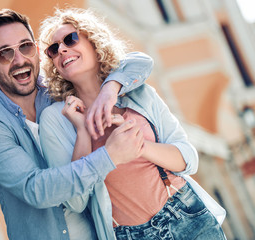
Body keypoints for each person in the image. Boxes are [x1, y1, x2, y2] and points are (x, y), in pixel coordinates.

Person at [38, 8, 227, 240]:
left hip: (187, 215)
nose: (62, 50)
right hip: (131, 234)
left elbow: (188, 159)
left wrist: (138, 144)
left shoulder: (138, 92)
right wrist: (83, 131)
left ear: (94, 44)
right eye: (53, 49)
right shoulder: (56, 118)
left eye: (70, 39)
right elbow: (75, 201)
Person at [0, 8, 154, 240]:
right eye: (5, 54)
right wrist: (110, 156)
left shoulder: (60, 91)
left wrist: (111, 88)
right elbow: (37, 189)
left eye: (25, 47)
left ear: (37, 50)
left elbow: (139, 62)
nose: (19, 60)